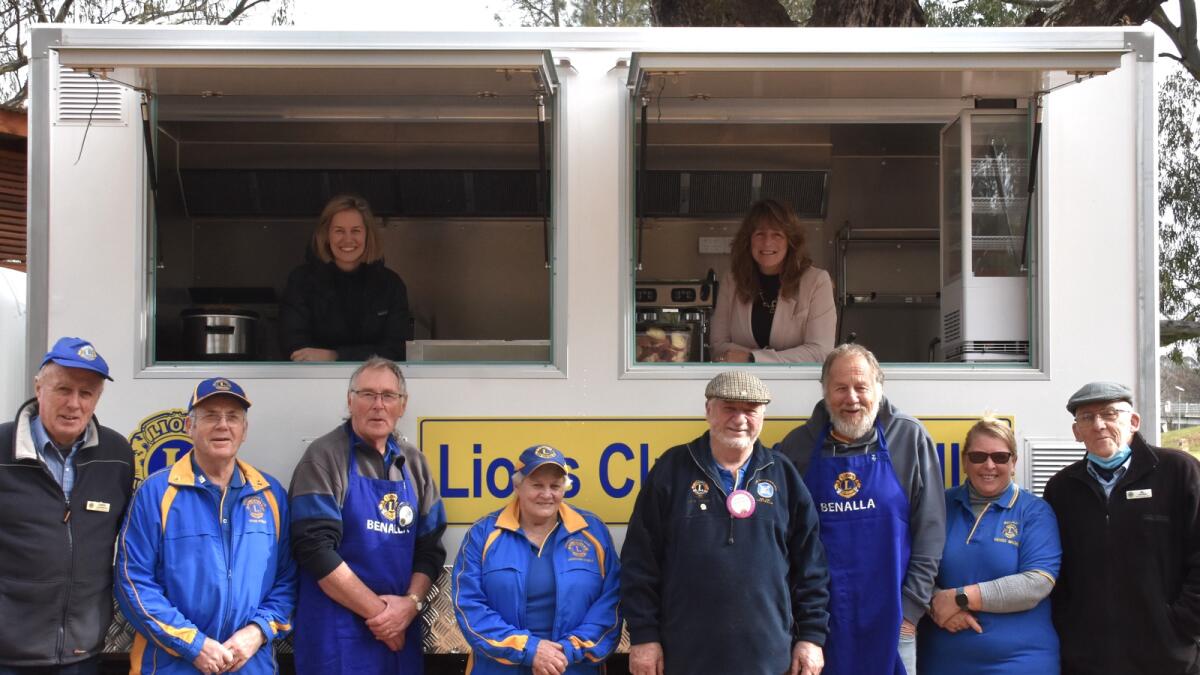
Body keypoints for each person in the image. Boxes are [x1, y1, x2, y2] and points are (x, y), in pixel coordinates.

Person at [622, 371, 829, 675]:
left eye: (750, 410)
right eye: (729, 408)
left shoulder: (782, 474)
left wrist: (811, 637)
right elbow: (640, 561)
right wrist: (643, 636)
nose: (740, 419)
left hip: (767, 657)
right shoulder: (672, 469)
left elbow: (810, 565)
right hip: (684, 656)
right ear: (709, 411)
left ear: (763, 415)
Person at [776, 343, 945, 675]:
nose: (851, 398)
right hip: (817, 629)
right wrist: (799, 622)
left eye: (861, 387)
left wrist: (910, 613)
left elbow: (931, 531)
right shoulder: (796, 446)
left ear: (878, 390)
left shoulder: (909, 437)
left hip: (894, 622)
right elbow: (784, 540)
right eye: (840, 388)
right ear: (825, 391)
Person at [115, 377, 297, 674]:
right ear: (190, 427)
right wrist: (194, 645)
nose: (223, 425)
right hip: (173, 665)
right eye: (211, 416)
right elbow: (133, 582)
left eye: (233, 417)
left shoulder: (270, 494)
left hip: (250, 664)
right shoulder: (157, 492)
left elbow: (289, 578)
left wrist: (258, 631)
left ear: (244, 430)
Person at [289, 356, 447, 674]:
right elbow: (315, 549)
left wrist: (410, 606)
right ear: (350, 401)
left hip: (399, 636)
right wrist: (382, 616)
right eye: (367, 394)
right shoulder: (323, 458)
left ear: (402, 405)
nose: (378, 405)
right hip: (336, 637)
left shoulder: (415, 464)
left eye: (388, 396)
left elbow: (430, 549)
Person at [1044, 382, 1200, 674]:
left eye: (1110, 413)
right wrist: (1069, 628)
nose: (1099, 424)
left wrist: (1180, 625)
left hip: (1168, 658)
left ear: (1134, 421)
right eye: (1087, 417)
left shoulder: (1179, 472)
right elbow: (1057, 571)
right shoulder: (1061, 489)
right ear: (1077, 432)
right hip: (1087, 659)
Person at [0, 337, 132, 675]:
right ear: (38, 388)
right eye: (63, 389)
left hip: (81, 653)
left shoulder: (116, 455)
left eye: (86, 393)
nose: (74, 404)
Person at [452, 444, 621, 674]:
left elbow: (612, 601)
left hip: (571, 667)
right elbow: (469, 606)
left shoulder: (593, 532)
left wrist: (566, 651)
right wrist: (530, 650)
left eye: (555, 486)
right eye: (537, 485)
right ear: (517, 486)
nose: (547, 494)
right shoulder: (483, 534)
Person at [918, 417, 1061, 675]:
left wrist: (959, 598)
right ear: (964, 460)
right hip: (942, 660)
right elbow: (911, 566)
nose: (989, 465)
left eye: (1000, 457)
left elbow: (1036, 582)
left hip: (1020, 661)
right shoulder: (939, 504)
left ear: (1014, 463)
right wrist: (934, 604)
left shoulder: (1034, 512)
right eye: (978, 456)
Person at [280, 194, 411, 362]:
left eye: (355, 230)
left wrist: (335, 356)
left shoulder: (391, 285)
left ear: (367, 234)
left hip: (374, 386)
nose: (348, 239)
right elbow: (294, 347)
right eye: (339, 231)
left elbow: (397, 349)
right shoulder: (301, 281)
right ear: (326, 235)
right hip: (314, 383)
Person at [710, 199, 836, 363]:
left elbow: (820, 352)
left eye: (777, 234)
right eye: (759, 234)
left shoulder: (817, 282)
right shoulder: (732, 280)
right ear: (748, 240)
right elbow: (717, 346)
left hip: (794, 386)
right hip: (739, 385)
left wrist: (753, 358)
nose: (767, 242)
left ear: (791, 241)